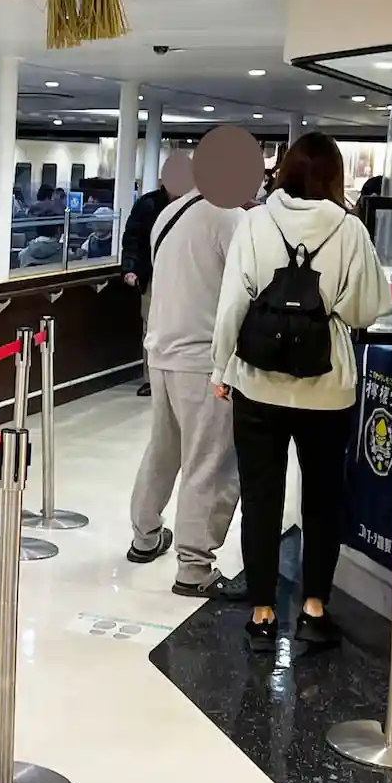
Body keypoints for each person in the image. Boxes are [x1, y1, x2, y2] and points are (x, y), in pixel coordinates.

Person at [211, 132, 390, 654]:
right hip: (326, 390)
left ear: (284, 171)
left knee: (261, 498)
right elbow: (363, 311)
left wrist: (220, 369)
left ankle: (263, 614)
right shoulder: (351, 230)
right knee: (323, 502)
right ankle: (313, 608)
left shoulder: (254, 221)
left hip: (258, 385)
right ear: (334, 176)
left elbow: (231, 306)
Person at [125, 182, 246, 598]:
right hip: (203, 362)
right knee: (208, 460)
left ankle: (145, 534)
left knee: (164, 448)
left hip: (161, 353)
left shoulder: (170, 214)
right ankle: (194, 566)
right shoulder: (229, 216)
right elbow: (248, 284)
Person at [122, 171, 176, 395]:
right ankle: (151, 377)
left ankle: (172, 377)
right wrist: (131, 268)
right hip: (153, 274)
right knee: (151, 326)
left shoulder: (197, 206)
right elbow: (134, 238)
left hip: (184, 273)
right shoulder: (148, 204)